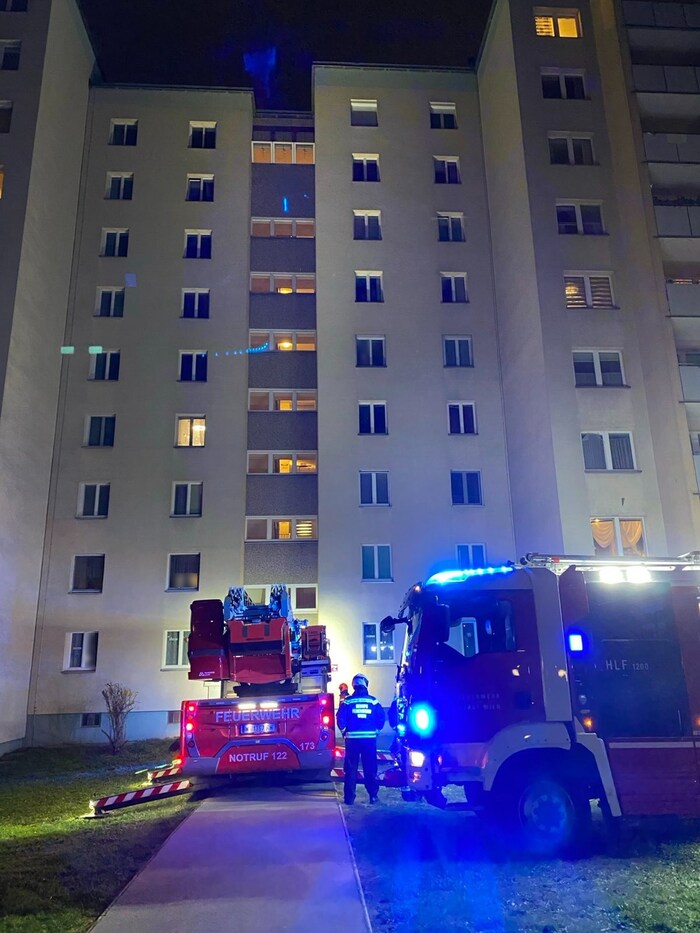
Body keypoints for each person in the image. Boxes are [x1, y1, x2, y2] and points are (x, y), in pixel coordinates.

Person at [336, 673, 385, 805]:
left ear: (354, 685)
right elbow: (381, 717)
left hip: (352, 740)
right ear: (365, 684)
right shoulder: (373, 701)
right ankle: (373, 796)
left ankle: (349, 799)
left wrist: (344, 731)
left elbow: (340, 718)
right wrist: (376, 731)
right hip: (369, 740)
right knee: (370, 768)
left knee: (350, 769)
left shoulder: (348, 702)